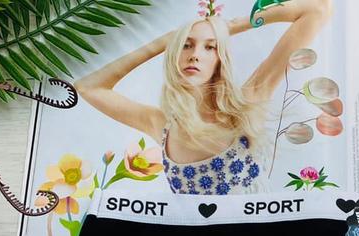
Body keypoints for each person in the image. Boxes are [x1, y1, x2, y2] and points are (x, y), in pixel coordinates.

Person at [75, 0, 334, 194]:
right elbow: (88, 87)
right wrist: (162, 43)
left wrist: (231, 27)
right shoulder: (162, 124)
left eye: (210, 47)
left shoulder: (248, 103)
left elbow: (318, 9)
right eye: (186, 45)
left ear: (220, 59)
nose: (195, 55)